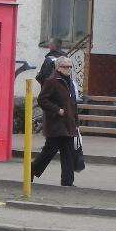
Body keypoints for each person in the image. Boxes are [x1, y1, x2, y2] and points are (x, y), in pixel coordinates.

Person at [32, 56, 79, 186]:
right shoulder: (52, 81)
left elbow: (72, 103)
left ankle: (67, 182)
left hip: (68, 124)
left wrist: (76, 121)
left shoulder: (69, 82)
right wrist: (57, 110)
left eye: (70, 66)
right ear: (58, 68)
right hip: (56, 124)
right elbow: (42, 100)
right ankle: (31, 170)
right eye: (65, 66)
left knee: (68, 154)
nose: (68, 69)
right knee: (49, 152)